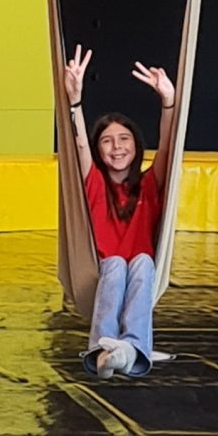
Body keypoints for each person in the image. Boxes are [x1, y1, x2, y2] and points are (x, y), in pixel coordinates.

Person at [63, 45, 176, 378]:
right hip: (102, 271)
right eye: (107, 141)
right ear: (99, 151)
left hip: (141, 268)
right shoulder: (95, 184)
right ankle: (104, 349)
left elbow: (168, 148)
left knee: (142, 262)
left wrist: (169, 103)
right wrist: (75, 101)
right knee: (115, 264)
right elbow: (79, 145)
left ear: (136, 146)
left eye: (124, 139)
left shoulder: (149, 185)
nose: (117, 147)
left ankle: (129, 348)